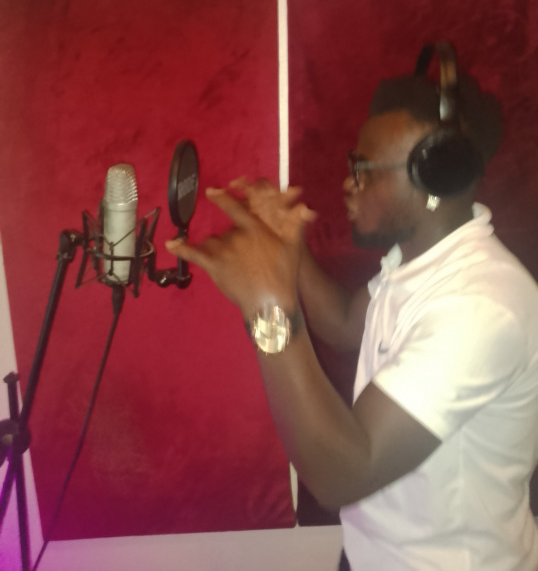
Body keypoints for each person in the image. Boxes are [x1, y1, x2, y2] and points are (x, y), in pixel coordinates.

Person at [165, 43, 538, 570]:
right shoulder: (417, 260)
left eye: (364, 168)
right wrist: (290, 251)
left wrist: (267, 306)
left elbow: (342, 475)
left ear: (436, 178)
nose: (348, 182)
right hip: (372, 556)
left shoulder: (481, 306)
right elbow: (343, 323)